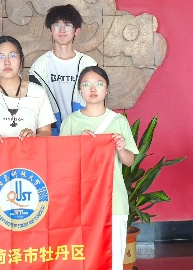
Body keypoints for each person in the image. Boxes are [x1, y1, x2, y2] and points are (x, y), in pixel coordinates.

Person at [59, 66, 137, 270]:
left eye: (99, 84)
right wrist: (78, 144)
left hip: (113, 202)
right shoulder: (71, 122)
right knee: (82, 259)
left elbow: (129, 161)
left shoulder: (118, 121)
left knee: (113, 260)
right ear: (80, 90)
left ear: (107, 89)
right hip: (81, 202)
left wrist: (121, 148)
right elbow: (61, 164)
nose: (93, 89)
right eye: (86, 84)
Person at [28, 4, 98, 133]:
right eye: (57, 25)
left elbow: (98, 101)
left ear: (76, 30)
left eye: (68, 25)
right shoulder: (39, 67)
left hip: (84, 132)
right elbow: (34, 106)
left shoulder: (88, 64)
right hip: (51, 134)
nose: (62, 30)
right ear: (50, 30)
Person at [0, 36, 54, 139]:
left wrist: (34, 137)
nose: (7, 62)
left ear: (21, 59)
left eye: (12, 55)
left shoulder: (38, 93)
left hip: (29, 150)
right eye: (0, 57)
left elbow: (46, 132)